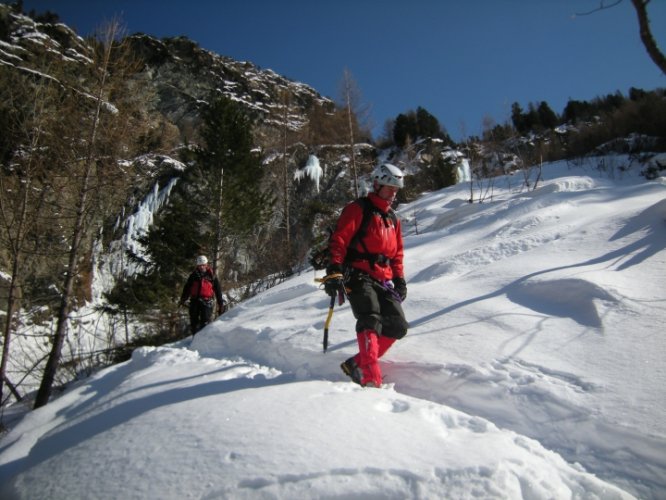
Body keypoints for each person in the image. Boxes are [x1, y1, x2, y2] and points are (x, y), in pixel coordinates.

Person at [323, 163, 409, 388]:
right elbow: (339, 240)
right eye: (389, 188)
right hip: (358, 274)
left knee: (397, 326)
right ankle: (371, 378)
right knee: (370, 318)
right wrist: (334, 270)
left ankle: (356, 365)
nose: (393, 194)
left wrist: (399, 279)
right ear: (377, 184)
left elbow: (397, 254)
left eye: (396, 190)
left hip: (384, 279)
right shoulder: (358, 209)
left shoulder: (393, 219)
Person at [180, 255, 226, 336]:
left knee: (205, 321)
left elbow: (218, 290)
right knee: (194, 321)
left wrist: (220, 303)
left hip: (207, 302)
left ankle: (203, 340)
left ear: (206, 264)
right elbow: (187, 287)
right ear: (197, 265)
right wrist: (183, 298)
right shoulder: (193, 275)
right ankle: (195, 338)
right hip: (195, 300)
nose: (201, 267)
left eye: (203, 265)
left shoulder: (212, 275)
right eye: (199, 265)